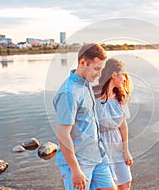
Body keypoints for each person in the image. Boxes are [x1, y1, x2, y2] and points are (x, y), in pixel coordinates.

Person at [53, 43, 117, 190]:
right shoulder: (69, 93)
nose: (99, 75)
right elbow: (63, 134)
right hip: (79, 160)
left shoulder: (85, 82)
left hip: (96, 153)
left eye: (100, 69)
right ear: (82, 63)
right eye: (96, 69)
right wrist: (75, 171)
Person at [93, 58, 133, 190]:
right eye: (123, 74)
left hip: (117, 145)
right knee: (107, 186)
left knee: (125, 183)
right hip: (100, 146)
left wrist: (126, 151)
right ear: (114, 75)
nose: (124, 79)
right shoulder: (93, 96)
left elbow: (122, 126)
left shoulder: (119, 97)